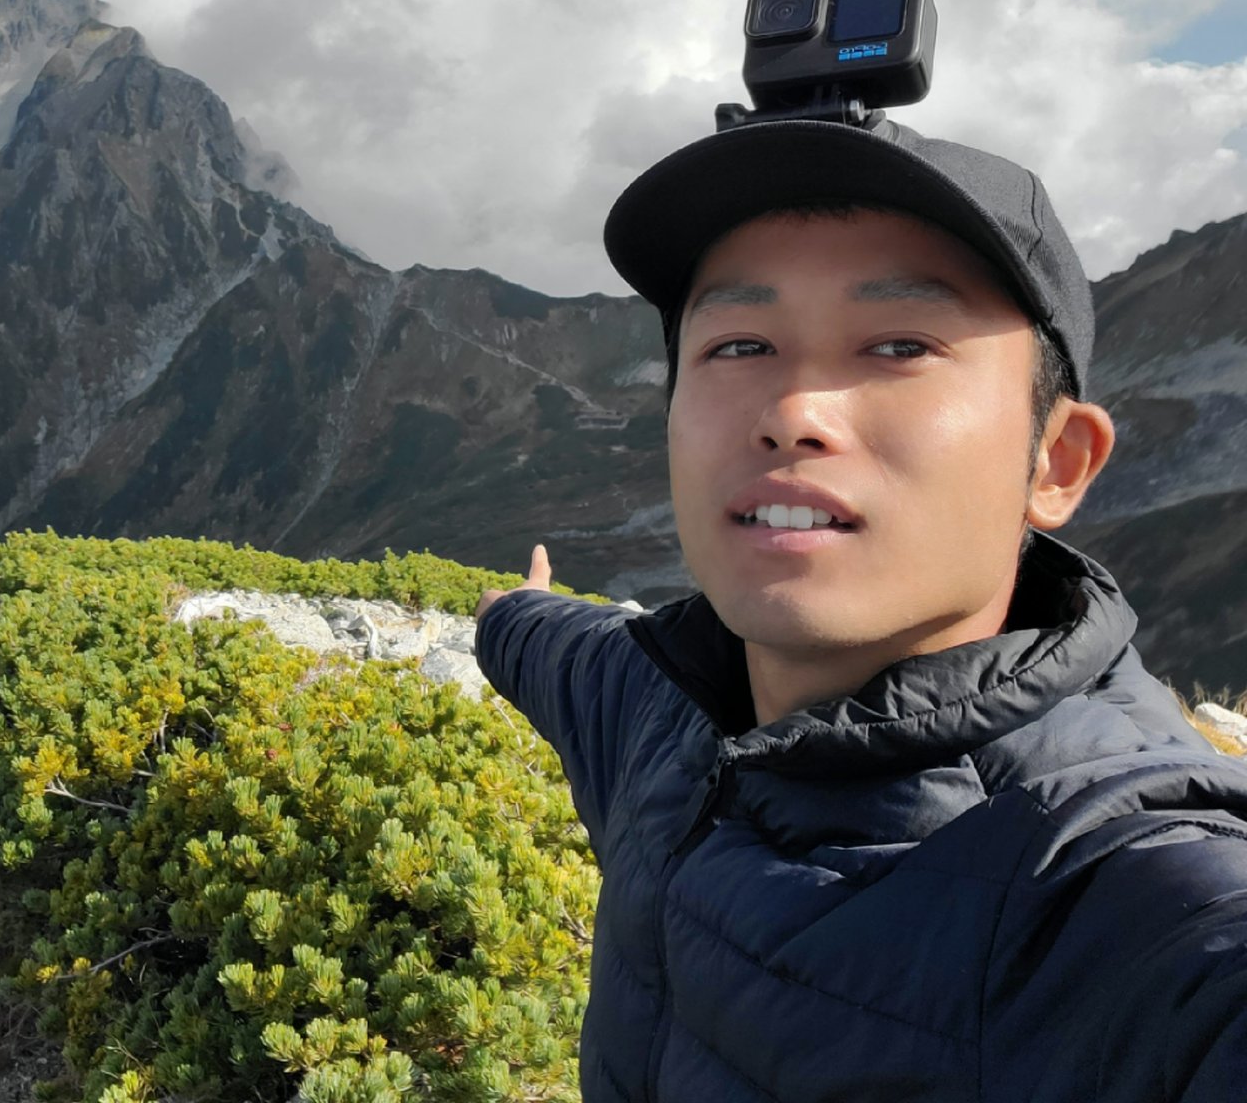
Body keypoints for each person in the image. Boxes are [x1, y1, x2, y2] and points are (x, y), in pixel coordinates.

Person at [473, 112, 1247, 1101]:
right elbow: (558, 648)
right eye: (740, 342)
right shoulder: (659, 706)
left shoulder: (1118, 892)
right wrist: (510, 610)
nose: (793, 411)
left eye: (895, 344)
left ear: (1053, 463)